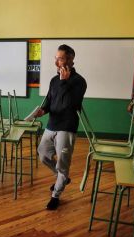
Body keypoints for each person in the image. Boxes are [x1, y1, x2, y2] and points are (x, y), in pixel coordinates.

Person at [35, 44, 87, 210]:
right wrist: (43, 110)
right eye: (56, 58)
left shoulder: (79, 82)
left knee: (63, 164)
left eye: (60, 58)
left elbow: (71, 104)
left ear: (70, 60)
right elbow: (50, 102)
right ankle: (61, 176)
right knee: (42, 154)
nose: (56, 62)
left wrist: (64, 82)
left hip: (67, 127)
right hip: (52, 125)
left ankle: (56, 195)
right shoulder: (54, 80)